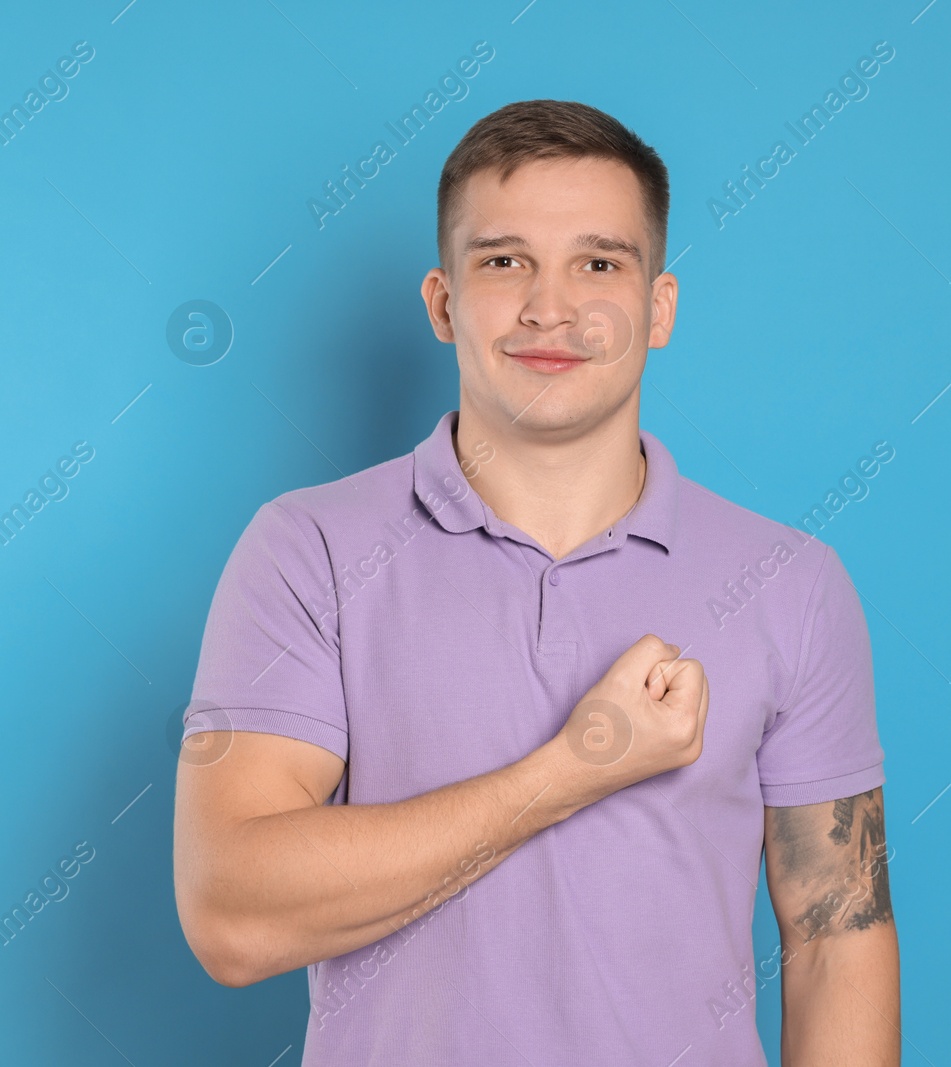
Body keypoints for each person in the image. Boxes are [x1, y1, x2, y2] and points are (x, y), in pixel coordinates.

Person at [172, 99, 899, 1065]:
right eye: (503, 260)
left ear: (659, 307)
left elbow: (835, 938)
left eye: (598, 263)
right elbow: (231, 914)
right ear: (441, 301)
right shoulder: (306, 548)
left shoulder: (791, 582)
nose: (549, 307)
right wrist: (573, 771)